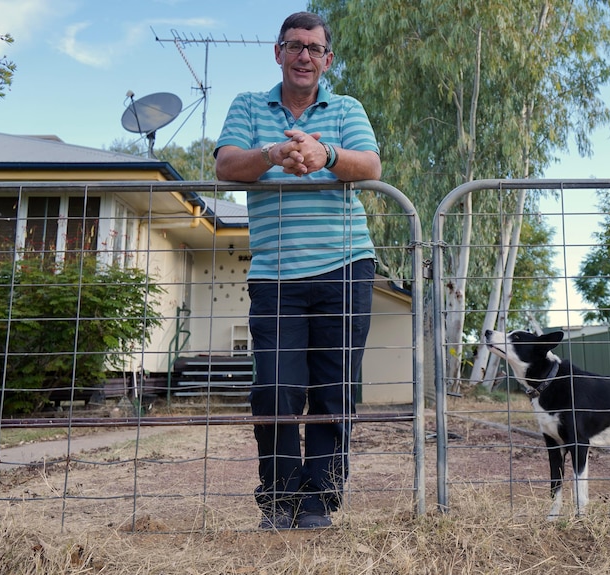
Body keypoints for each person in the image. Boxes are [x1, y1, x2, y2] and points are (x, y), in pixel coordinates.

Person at [214, 11, 381, 530]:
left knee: (336, 390)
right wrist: (274, 152)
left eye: (313, 48)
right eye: (294, 46)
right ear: (277, 52)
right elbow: (225, 166)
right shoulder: (247, 105)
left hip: (345, 267)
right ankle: (280, 498)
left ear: (327, 59)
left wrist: (323, 152)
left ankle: (319, 501)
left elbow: (371, 166)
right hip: (275, 273)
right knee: (276, 389)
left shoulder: (346, 107)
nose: (304, 55)